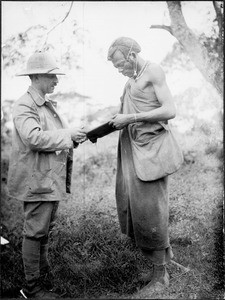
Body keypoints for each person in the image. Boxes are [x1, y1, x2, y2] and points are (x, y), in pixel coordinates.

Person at [7, 51, 87, 299]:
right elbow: (34, 138)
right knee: (35, 232)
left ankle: (42, 282)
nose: (57, 80)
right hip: (37, 180)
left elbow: (53, 138)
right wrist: (68, 135)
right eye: (52, 76)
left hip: (47, 179)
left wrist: (73, 136)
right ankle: (32, 288)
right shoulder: (25, 104)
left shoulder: (44, 104)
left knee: (43, 231)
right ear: (38, 76)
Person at [107, 37, 183, 293]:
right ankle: (168, 261)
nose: (119, 70)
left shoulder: (153, 70)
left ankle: (160, 277)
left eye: (120, 64)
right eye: (116, 68)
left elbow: (170, 109)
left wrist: (132, 117)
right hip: (135, 152)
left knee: (152, 210)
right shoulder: (130, 81)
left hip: (153, 151)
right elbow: (124, 117)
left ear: (131, 56)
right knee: (141, 209)